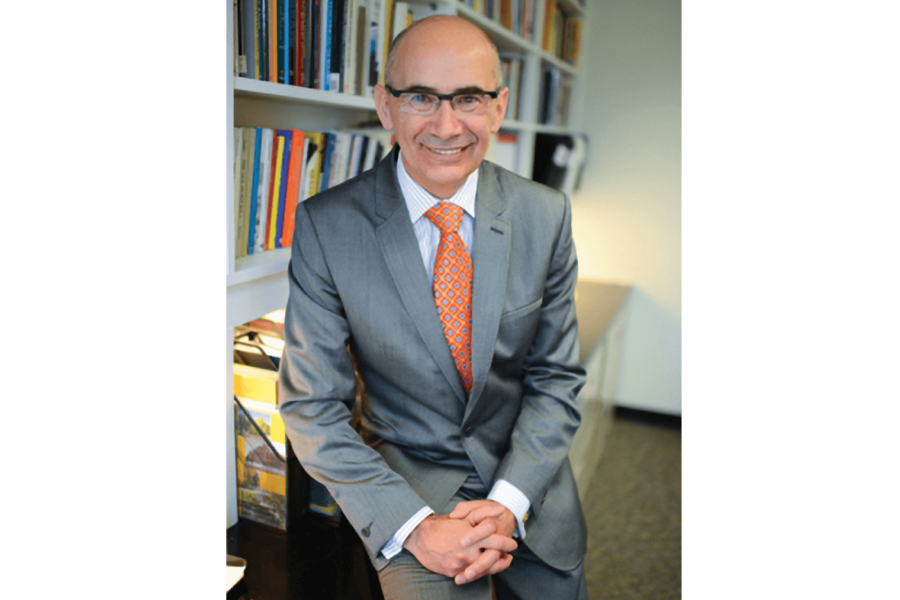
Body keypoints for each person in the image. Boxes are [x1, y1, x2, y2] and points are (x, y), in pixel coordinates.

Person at [279, 15, 588, 600]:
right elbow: (312, 407)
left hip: (530, 485)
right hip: (406, 490)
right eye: (421, 97)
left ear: (498, 107)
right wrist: (414, 525)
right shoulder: (326, 226)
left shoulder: (546, 215)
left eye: (468, 98)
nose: (447, 126)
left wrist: (506, 503)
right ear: (385, 106)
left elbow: (556, 378)